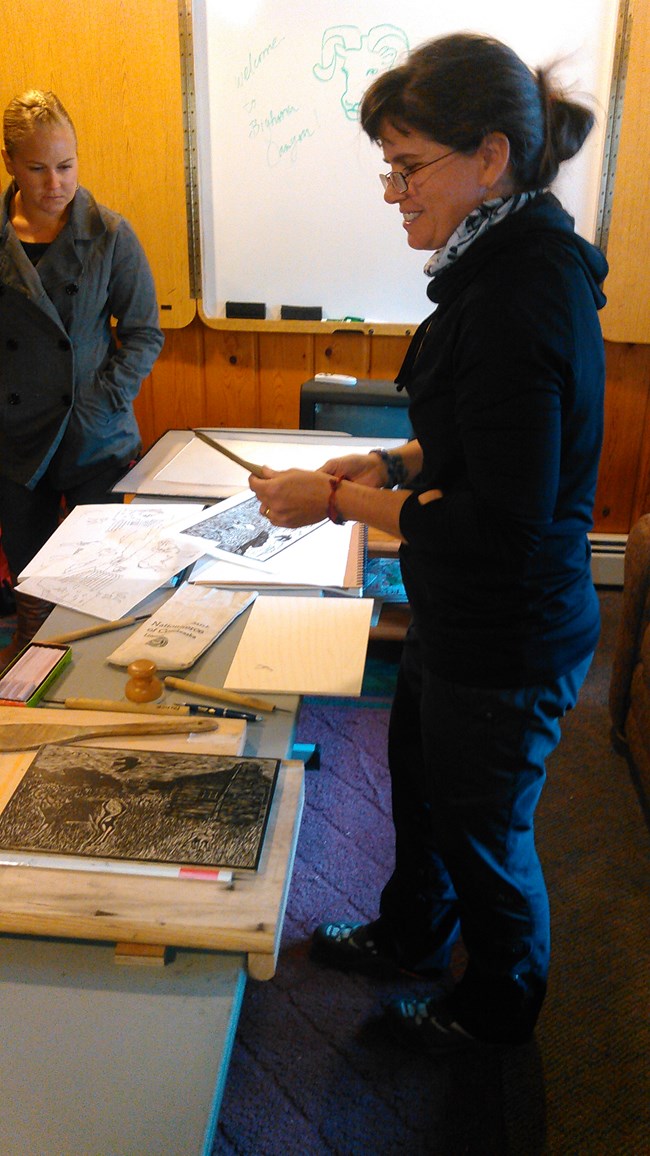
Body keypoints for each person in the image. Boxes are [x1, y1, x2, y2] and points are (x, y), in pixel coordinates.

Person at [249, 32, 608, 1050]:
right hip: (466, 612)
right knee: (421, 779)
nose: (391, 192)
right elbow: (482, 433)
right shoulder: (502, 259)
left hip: (508, 626)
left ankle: (493, 1011)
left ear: (487, 157)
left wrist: (332, 503)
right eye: (388, 167)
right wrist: (394, 465)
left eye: (407, 168)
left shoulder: (516, 291)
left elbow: (499, 520)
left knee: (484, 834)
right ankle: (413, 934)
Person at [0, 90, 163, 666]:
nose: (55, 183)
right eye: (38, 168)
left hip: (96, 433)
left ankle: (102, 675)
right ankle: (30, 666)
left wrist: (103, 399)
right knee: (31, 574)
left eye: (66, 166)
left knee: (105, 575)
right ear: (10, 162)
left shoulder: (110, 235)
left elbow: (144, 332)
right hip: (16, 437)